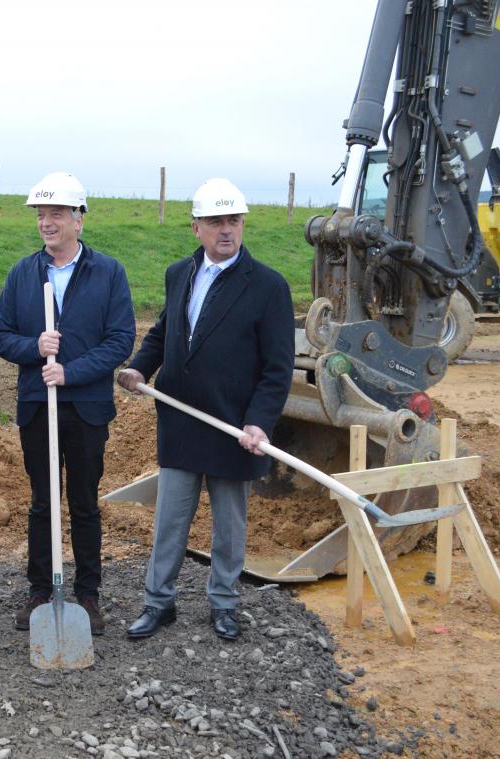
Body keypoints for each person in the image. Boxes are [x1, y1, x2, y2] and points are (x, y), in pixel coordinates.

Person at [117, 178, 294, 641]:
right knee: (169, 521)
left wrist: (259, 422)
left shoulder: (268, 286)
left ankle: (224, 604)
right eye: (216, 221)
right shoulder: (180, 273)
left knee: (229, 527)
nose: (226, 229)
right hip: (180, 419)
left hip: (233, 427)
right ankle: (158, 602)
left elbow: (278, 369)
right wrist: (139, 368)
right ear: (196, 227)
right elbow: (163, 332)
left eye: (234, 220)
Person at [0, 172, 135, 635]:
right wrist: (35, 347)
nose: (46, 223)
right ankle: (39, 590)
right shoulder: (23, 273)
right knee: (42, 501)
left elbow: (120, 340)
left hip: (87, 406)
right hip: (38, 405)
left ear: (79, 219)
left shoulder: (108, 272)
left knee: (84, 502)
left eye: (56, 214)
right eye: (41, 215)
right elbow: (1, 336)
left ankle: (88, 595)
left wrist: (71, 372)